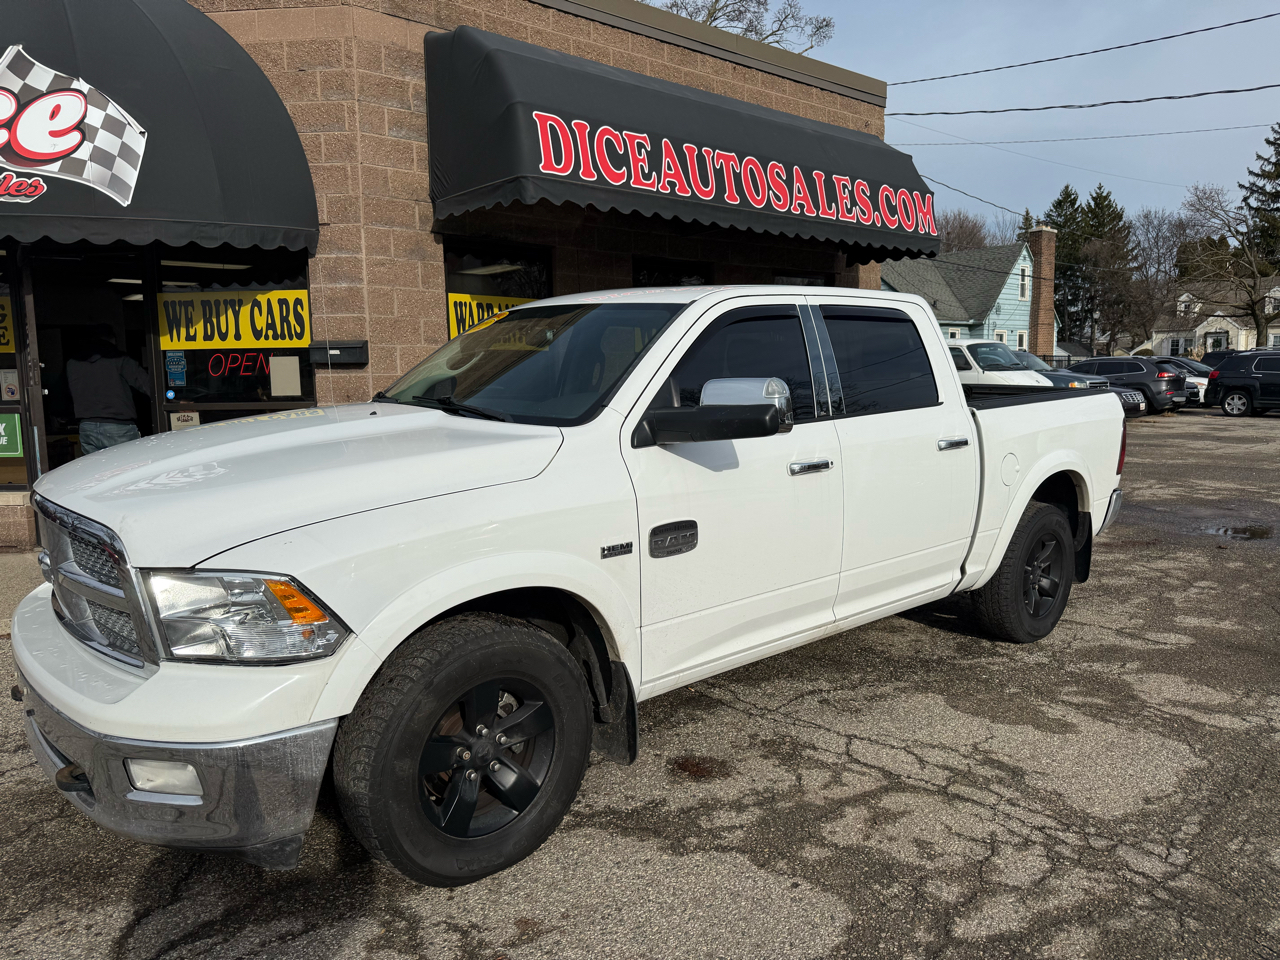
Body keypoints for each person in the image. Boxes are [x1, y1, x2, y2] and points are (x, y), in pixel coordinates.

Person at [65, 324, 152, 455]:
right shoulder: (120, 359)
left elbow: (64, 395)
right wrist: (173, 401)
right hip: (118, 425)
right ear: (113, 339)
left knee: (95, 472)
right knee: (126, 470)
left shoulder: (72, 363)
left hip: (86, 426)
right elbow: (148, 386)